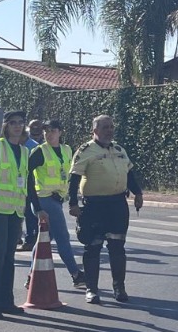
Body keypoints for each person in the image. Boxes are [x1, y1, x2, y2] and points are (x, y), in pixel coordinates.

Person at [0, 110, 45, 319]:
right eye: (13, 123)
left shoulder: (24, 151)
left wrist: (38, 207)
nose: (17, 126)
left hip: (16, 210)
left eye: (20, 123)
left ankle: (5, 302)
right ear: (6, 126)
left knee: (9, 257)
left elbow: (29, 183)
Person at [69, 114, 143, 305]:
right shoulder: (85, 150)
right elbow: (74, 178)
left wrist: (138, 193)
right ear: (95, 131)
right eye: (104, 127)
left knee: (117, 247)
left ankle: (119, 288)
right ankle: (91, 290)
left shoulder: (119, 149)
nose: (109, 130)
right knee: (93, 248)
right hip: (95, 207)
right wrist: (73, 204)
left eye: (111, 127)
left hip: (117, 205)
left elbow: (129, 173)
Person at [25, 119, 86, 290]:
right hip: (44, 200)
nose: (48, 134)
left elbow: (71, 174)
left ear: (60, 132)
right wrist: (36, 207)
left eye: (52, 130)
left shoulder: (67, 150)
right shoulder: (39, 151)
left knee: (44, 240)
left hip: (57, 199)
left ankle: (31, 277)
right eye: (46, 131)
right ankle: (76, 274)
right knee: (62, 238)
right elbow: (28, 177)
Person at [17, 119, 45, 251]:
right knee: (25, 212)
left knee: (29, 213)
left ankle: (30, 239)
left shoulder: (31, 147)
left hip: (31, 184)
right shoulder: (26, 145)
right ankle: (24, 237)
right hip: (23, 184)